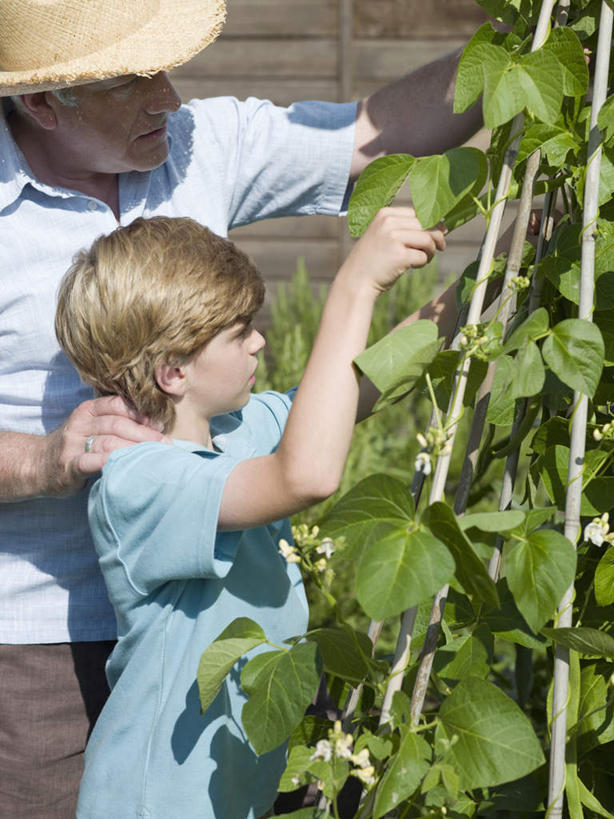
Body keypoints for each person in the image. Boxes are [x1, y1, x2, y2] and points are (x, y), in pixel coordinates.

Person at [0, 1, 479, 815]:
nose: (169, 98)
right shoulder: (146, 478)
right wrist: (40, 459)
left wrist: (523, 50)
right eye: (132, 81)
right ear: (43, 101)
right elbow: (305, 471)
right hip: (38, 635)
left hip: (230, 641)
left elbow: (372, 132)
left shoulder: (196, 144)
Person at [53, 209, 445, 819]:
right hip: (157, 801)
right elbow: (305, 475)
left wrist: (490, 272)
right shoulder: (138, 480)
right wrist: (354, 286)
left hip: (231, 794)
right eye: (239, 333)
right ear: (174, 371)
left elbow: (360, 385)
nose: (259, 340)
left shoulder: (235, 429)